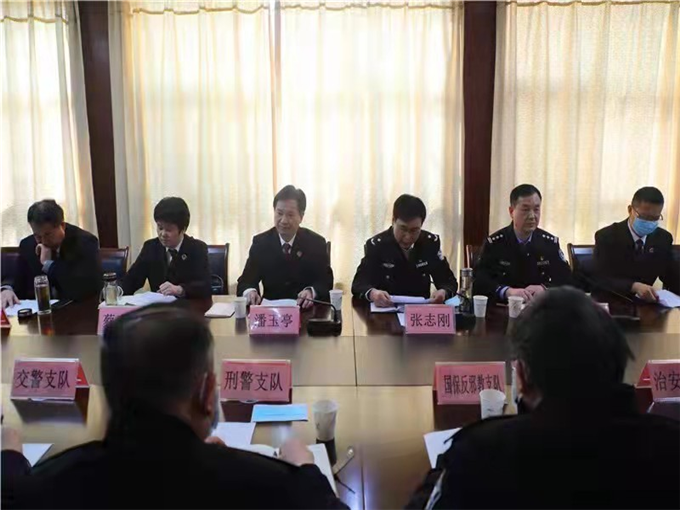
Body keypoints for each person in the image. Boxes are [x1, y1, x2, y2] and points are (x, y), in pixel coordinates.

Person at [1, 305, 347, 509]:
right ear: (207, 392)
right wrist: (305, 469)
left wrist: (10, 456)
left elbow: (13, 494)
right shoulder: (269, 486)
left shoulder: (49, 487)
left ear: (110, 393)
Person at [409, 287, 680, 509]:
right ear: (619, 362)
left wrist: (443, 471)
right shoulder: (670, 447)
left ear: (522, 375)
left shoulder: (480, 455)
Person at [237, 185, 333, 309]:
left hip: (305, 312)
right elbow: (245, 281)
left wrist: (311, 291)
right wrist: (250, 292)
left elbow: (325, 282)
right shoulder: (261, 243)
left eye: (290, 215)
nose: (283, 220)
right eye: (279, 213)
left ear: (301, 216)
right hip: (271, 313)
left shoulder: (316, 243)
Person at [351, 194, 458, 306]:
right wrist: (373, 293)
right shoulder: (377, 245)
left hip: (419, 312)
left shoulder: (429, 243)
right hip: (386, 312)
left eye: (414, 230)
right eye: (403, 229)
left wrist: (444, 292)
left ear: (421, 225)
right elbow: (359, 284)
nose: (407, 237)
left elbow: (448, 281)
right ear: (393, 221)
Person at [472, 184, 572, 302]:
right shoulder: (495, 243)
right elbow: (479, 282)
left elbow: (568, 280)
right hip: (505, 308)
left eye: (536, 209)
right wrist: (507, 291)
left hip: (540, 309)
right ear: (511, 212)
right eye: (525, 210)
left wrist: (545, 289)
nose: (532, 216)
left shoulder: (549, 243)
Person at [1, 199, 101, 307]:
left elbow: (83, 289)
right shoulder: (28, 245)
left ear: (62, 226)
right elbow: (15, 278)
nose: (43, 241)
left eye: (48, 234)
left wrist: (48, 264)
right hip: (39, 312)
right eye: (37, 236)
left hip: (76, 310)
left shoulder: (85, 242)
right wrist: (7, 289)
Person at [594, 187, 679, 302]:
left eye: (655, 218)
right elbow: (601, 279)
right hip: (611, 301)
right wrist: (634, 286)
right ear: (630, 210)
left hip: (647, 304)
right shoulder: (607, 236)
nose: (649, 222)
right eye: (644, 217)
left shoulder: (663, 239)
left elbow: (671, 275)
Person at [121, 197, 211, 298]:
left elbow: (205, 286)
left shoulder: (197, 249)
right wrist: (114, 291)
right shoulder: (151, 247)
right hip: (159, 306)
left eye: (169, 229)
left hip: (188, 306)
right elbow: (131, 280)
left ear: (183, 229)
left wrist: (180, 289)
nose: (163, 234)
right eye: (160, 227)